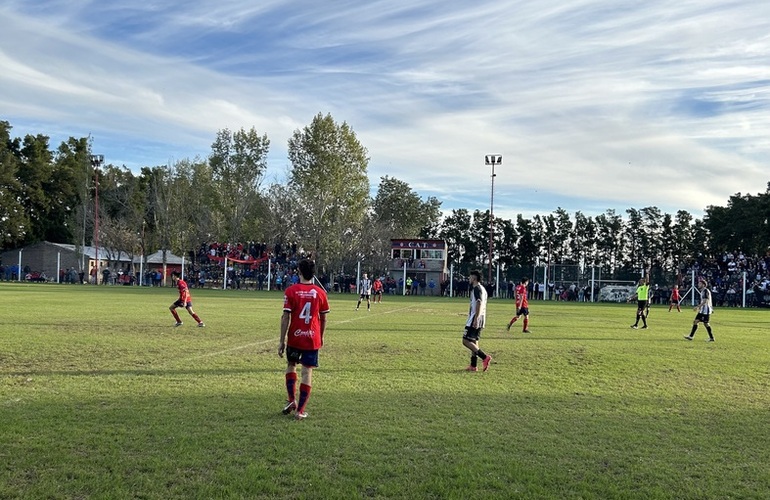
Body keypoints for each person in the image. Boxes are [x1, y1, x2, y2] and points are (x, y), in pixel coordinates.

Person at [278, 259, 330, 420]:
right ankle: (300, 411)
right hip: (312, 338)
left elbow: (285, 316)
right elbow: (324, 319)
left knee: (291, 365)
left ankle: (291, 400)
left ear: (299, 271)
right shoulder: (321, 293)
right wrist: (320, 337)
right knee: (307, 371)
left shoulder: (291, 291)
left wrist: (281, 340)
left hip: (295, 337)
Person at [462, 270, 492, 372]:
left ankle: (484, 357)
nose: (469, 279)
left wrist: (475, 319)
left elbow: (479, 303)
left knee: (465, 341)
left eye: (470, 277)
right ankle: (473, 366)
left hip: (475, 318)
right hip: (481, 318)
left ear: (474, 278)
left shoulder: (476, 289)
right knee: (474, 341)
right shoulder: (483, 289)